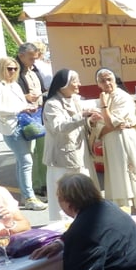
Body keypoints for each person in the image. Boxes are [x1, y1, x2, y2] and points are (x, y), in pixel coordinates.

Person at [95, 68, 136, 216]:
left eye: (109, 79)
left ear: (115, 79)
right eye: (102, 80)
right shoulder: (105, 97)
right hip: (113, 142)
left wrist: (104, 114)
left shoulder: (122, 97)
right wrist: (104, 127)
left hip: (125, 141)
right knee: (121, 175)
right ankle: (132, 210)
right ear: (98, 84)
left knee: (131, 173)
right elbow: (99, 125)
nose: (107, 83)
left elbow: (110, 123)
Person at [0, 57, 46, 210]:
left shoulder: (15, 85)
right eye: (9, 68)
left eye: (15, 68)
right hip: (11, 128)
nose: (13, 71)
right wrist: (20, 109)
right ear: (1, 69)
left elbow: (20, 104)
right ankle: (29, 197)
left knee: (24, 161)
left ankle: (27, 194)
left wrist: (28, 106)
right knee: (26, 160)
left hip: (25, 126)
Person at [43, 69, 102, 218]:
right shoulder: (52, 104)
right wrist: (81, 115)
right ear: (63, 84)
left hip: (80, 151)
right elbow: (59, 127)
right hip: (62, 156)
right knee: (65, 191)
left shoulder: (75, 99)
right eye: (75, 81)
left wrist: (90, 120)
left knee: (82, 189)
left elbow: (81, 124)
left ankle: (85, 217)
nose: (79, 84)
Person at [16, 43, 48, 200]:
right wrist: (25, 97)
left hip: (39, 113)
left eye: (35, 58)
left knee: (42, 149)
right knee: (31, 152)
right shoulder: (14, 71)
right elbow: (11, 95)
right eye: (31, 58)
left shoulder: (34, 70)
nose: (33, 61)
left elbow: (41, 88)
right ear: (21, 56)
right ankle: (34, 186)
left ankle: (43, 183)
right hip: (26, 116)